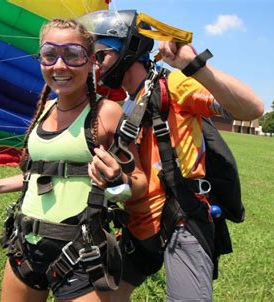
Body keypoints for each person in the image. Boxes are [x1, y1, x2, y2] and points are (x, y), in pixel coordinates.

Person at [78, 10, 264, 301]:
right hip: (138, 224)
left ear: (126, 50)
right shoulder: (127, 102)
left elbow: (251, 109)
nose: (96, 65)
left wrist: (195, 66)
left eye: (100, 55)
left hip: (181, 219)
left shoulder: (173, 86)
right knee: (105, 296)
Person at [0, 18, 147, 302]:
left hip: (82, 254)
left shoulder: (107, 113)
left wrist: (117, 180)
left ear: (91, 63)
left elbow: (139, 183)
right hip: (25, 247)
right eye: (50, 55)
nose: (60, 65)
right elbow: (45, 172)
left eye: (72, 55)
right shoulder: (45, 109)